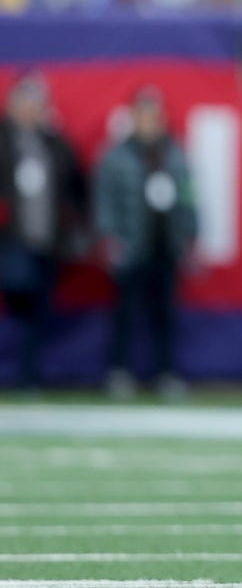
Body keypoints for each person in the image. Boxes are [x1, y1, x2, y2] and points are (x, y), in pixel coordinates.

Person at [94, 86, 197, 400]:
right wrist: (108, 237)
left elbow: (188, 198)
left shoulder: (176, 154)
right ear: (133, 118)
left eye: (154, 115)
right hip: (132, 244)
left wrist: (191, 234)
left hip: (165, 244)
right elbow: (105, 200)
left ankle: (166, 372)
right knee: (125, 312)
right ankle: (119, 371)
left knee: (165, 313)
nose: (149, 122)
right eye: (142, 115)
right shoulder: (115, 155)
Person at [0, 74, 87, 391]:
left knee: (39, 310)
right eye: (24, 102)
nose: (29, 109)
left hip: (48, 240)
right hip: (10, 239)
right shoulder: (4, 140)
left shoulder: (55, 143)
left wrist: (77, 226)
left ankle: (29, 375)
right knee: (17, 297)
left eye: (35, 103)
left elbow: (77, 185)